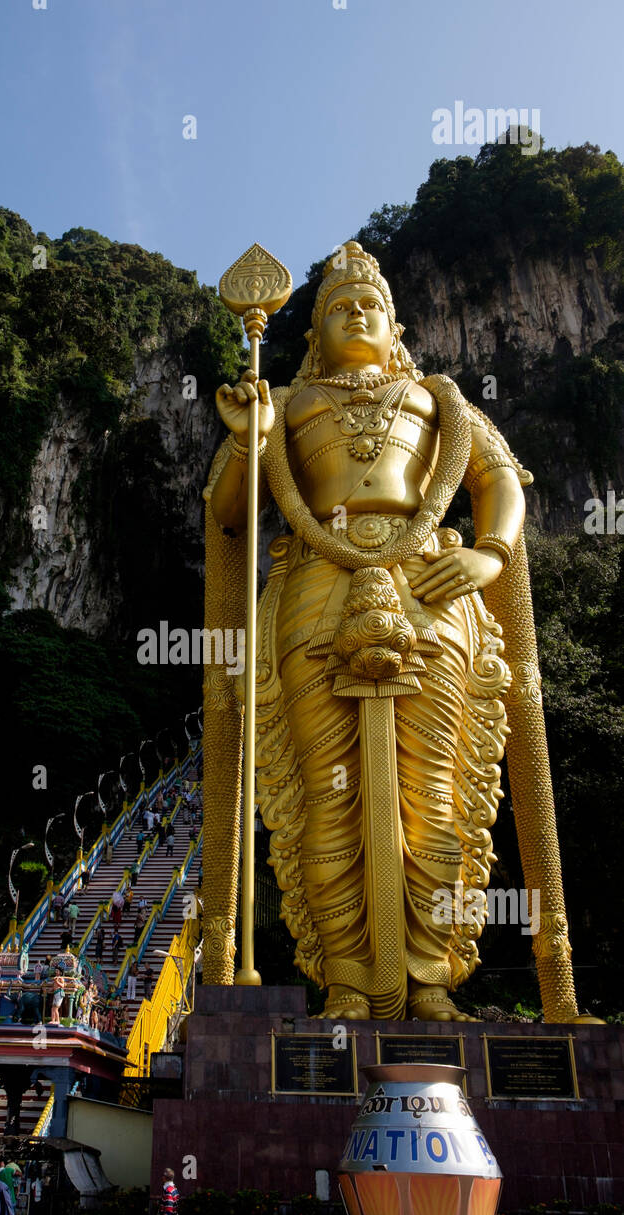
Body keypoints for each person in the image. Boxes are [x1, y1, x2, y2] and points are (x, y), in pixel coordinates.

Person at [205, 239, 533, 1020]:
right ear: (314, 332)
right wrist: (250, 440)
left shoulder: (438, 400)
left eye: (371, 305)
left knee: (435, 792)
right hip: (317, 584)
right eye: (340, 306)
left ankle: (431, 979)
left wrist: (488, 555)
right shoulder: (285, 404)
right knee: (328, 795)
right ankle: (349, 977)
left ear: (396, 327)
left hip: (428, 580)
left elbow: (499, 483)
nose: (358, 312)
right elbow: (226, 513)